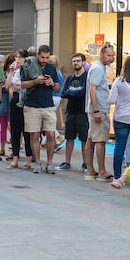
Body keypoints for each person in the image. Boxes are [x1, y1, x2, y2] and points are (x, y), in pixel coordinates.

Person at [20, 44, 63, 173]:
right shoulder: (28, 65)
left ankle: (49, 163)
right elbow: (22, 85)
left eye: (47, 58)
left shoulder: (51, 68)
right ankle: (38, 163)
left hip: (48, 106)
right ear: (37, 55)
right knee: (34, 135)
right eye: (42, 57)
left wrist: (51, 84)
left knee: (51, 134)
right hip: (32, 106)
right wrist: (35, 81)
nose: (44, 60)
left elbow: (57, 88)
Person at [85, 44, 115, 181]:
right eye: (109, 55)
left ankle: (90, 171)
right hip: (98, 110)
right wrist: (96, 110)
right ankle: (101, 171)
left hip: (97, 109)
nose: (112, 58)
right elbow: (93, 89)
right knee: (100, 141)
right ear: (101, 54)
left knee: (91, 140)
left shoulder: (98, 67)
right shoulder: (97, 68)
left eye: (113, 55)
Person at [59, 53, 90, 171]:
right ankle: (67, 162)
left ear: (83, 62)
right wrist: (75, 93)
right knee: (69, 138)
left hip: (83, 113)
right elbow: (63, 93)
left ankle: (85, 163)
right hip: (70, 112)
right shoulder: (70, 78)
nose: (75, 63)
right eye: (73, 61)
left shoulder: (87, 77)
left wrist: (71, 93)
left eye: (78, 61)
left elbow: (83, 93)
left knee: (84, 139)